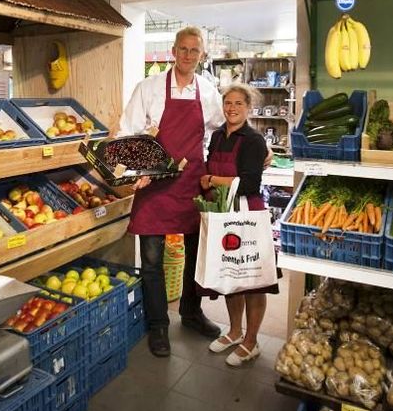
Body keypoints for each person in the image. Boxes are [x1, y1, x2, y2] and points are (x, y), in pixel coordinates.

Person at [119, 26, 225, 357]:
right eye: (183, 49)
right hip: (155, 185)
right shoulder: (148, 88)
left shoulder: (208, 93)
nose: (188, 56)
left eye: (195, 51)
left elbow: (221, 132)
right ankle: (158, 326)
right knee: (152, 261)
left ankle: (191, 314)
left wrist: (253, 148)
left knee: (196, 256)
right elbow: (127, 134)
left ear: (201, 55)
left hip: (193, 182)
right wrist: (139, 172)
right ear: (173, 51)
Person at [198, 83, 278, 366]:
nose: (231, 108)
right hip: (223, 213)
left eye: (238, 104)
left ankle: (252, 341)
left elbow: (250, 183)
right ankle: (234, 331)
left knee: (253, 279)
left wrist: (212, 181)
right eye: (228, 103)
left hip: (247, 214)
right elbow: (208, 167)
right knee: (232, 275)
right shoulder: (219, 136)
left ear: (249, 108)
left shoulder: (254, 140)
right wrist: (207, 181)